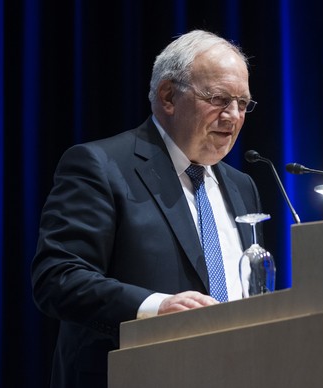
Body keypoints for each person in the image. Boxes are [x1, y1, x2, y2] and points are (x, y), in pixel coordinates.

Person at [31, 29, 263, 388]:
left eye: (243, 103)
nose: (233, 116)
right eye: (219, 99)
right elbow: (58, 278)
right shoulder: (101, 165)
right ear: (169, 96)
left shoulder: (242, 186)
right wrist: (156, 308)